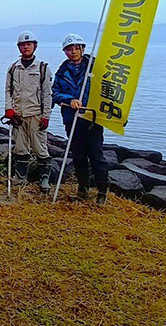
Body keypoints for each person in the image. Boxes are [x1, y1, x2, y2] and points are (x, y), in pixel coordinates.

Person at [52, 33, 109, 205]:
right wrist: (70, 99)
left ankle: (102, 191)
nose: (73, 52)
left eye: (77, 48)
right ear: (65, 52)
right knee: (78, 155)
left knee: (96, 154)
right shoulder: (61, 72)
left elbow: (107, 87)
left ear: (83, 49)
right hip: (72, 117)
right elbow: (55, 93)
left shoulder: (95, 67)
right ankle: (83, 188)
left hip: (92, 117)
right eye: (69, 49)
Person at [4, 31, 54, 193]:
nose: (25, 47)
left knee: (40, 149)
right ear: (18, 47)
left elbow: (47, 94)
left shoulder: (43, 68)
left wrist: (46, 116)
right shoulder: (13, 68)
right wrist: (8, 109)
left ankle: (44, 179)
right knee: (20, 148)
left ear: (35, 46)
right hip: (18, 115)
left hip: (35, 115)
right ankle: (20, 177)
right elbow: (8, 90)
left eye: (29, 44)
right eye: (22, 45)